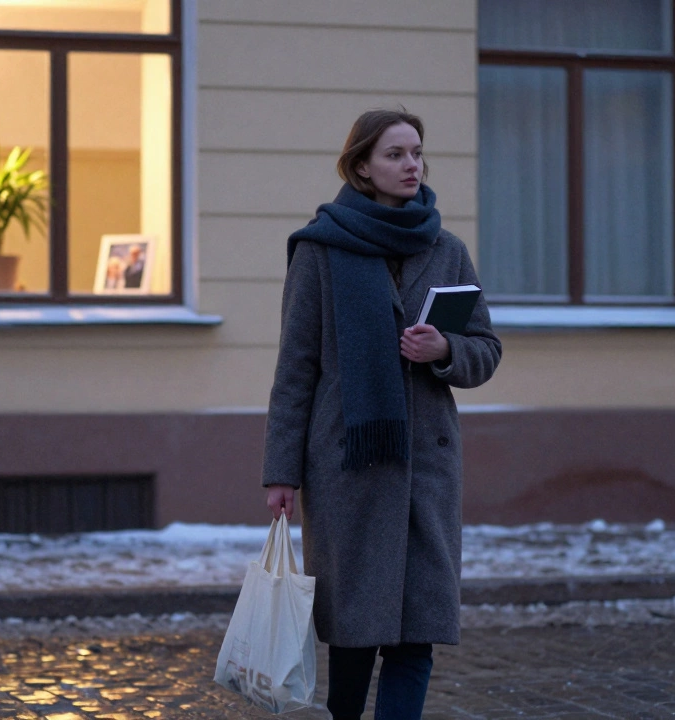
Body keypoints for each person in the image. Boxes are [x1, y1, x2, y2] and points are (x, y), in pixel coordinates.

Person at [261, 109, 502, 719]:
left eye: (416, 152)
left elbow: (486, 349)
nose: (411, 165)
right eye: (395, 154)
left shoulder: (447, 250)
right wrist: (281, 471)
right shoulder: (320, 250)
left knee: (417, 632)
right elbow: (296, 368)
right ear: (362, 166)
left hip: (427, 468)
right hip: (350, 466)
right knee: (354, 632)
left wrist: (444, 350)